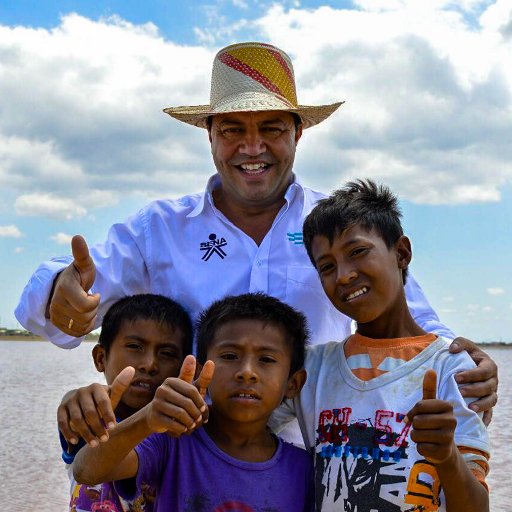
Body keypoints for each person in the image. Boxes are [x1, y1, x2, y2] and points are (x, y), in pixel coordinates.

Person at [15, 42, 497, 439]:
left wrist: (463, 358)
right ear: (209, 135)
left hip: (315, 464)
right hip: (187, 463)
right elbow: (59, 300)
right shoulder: (158, 229)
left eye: (271, 129)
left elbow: (413, 325)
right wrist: (62, 291)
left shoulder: (339, 226)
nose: (252, 148)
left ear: (297, 134)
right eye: (232, 130)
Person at [270, 180, 490, 511]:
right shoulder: (311, 370)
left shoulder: (451, 369)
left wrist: (447, 457)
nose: (343, 275)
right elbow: (239, 429)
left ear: (401, 253)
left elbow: (477, 506)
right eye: (327, 266)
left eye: (357, 252)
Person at [73, 292, 314, 511]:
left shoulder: (304, 469)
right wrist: (147, 418)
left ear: (293, 383)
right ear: (200, 371)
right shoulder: (172, 442)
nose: (247, 372)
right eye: (230, 356)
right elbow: (86, 470)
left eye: (267, 359)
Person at [60, 293, 194, 512]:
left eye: (167, 353)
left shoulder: (180, 432)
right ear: (101, 358)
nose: (150, 364)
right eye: (134, 346)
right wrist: (71, 396)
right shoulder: (88, 414)